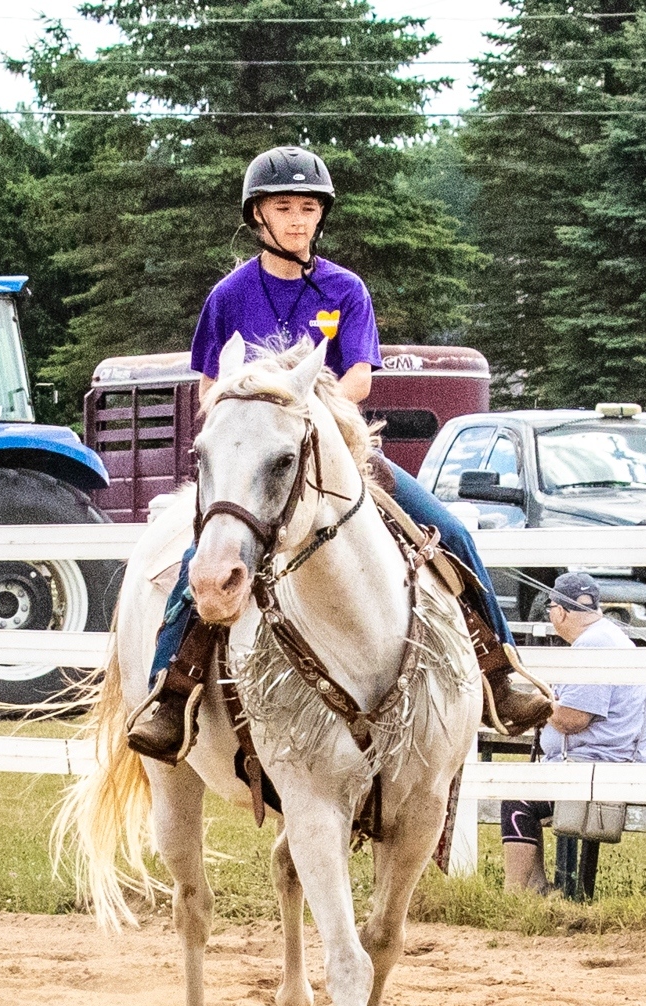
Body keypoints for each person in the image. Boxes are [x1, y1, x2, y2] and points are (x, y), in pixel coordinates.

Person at [127, 145, 552, 762]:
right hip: (259, 459)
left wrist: (304, 408)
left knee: (452, 530)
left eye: (308, 208)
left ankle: (500, 671)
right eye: (283, 208)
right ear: (258, 216)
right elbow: (210, 388)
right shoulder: (228, 296)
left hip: (338, 445)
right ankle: (169, 693)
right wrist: (258, 412)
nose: (297, 220)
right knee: (202, 557)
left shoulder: (345, 289)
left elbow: (358, 379)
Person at [500, 572, 646, 894]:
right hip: (608, 760)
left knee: (517, 797)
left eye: (551, 610)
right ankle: (536, 890)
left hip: (602, 767)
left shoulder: (594, 645)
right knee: (521, 791)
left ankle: (517, 892)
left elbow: (573, 719)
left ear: (559, 611)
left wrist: (532, 707)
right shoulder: (606, 637)